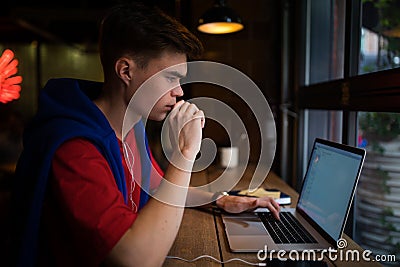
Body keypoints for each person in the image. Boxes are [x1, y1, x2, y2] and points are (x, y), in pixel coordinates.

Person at [10, 2, 280, 267]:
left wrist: (221, 199)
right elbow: (138, 259)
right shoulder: (74, 149)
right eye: (170, 78)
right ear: (126, 71)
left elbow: (155, 187)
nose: (180, 92)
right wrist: (184, 154)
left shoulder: (132, 126)